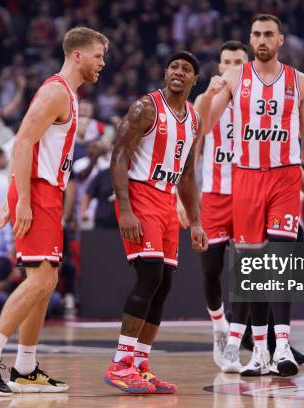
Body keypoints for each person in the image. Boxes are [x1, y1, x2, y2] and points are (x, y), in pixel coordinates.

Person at [0, 26, 108, 396]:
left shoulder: (70, 95)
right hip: (38, 191)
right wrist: (23, 200)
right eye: (98, 56)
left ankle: (25, 367)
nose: (102, 63)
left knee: (46, 283)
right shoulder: (56, 91)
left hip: (46, 192)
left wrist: (21, 198)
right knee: (40, 281)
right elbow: (23, 141)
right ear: (77, 55)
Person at [196, 14, 304, 377]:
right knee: (253, 268)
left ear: (280, 39)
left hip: (284, 178)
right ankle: (259, 352)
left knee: (280, 261)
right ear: (250, 38)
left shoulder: (299, 81)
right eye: (256, 34)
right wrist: (208, 95)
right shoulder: (234, 78)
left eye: (268, 34)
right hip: (245, 180)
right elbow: (206, 126)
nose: (261, 39)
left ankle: (283, 347)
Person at [104, 51, 208, 394]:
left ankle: (140, 364)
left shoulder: (194, 118)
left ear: (195, 80)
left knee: (163, 285)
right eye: (174, 66)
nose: (179, 72)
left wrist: (195, 221)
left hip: (166, 201)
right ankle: (120, 363)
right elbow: (119, 153)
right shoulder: (145, 107)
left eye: (187, 69)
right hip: (140, 193)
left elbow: (188, 174)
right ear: (166, 74)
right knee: (149, 276)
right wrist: (125, 207)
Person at [192, 40, 251, 372]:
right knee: (210, 271)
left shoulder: (257, 98)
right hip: (213, 196)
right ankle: (219, 327)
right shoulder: (206, 99)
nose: (231, 67)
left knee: (246, 274)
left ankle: (234, 344)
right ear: (218, 66)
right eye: (226, 61)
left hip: (247, 195)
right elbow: (193, 148)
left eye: (238, 62)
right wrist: (186, 199)